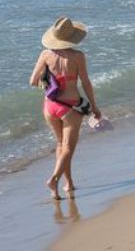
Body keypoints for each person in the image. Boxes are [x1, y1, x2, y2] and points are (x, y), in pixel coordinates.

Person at [29, 18, 101, 199]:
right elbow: (85, 83)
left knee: (61, 145)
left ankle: (68, 183)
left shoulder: (45, 55)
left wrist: (50, 81)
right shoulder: (78, 57)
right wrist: (94, 106)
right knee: (68, 148)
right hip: (70, 108)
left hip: (50, 106)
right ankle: (53, 179)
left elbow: (33, 81)